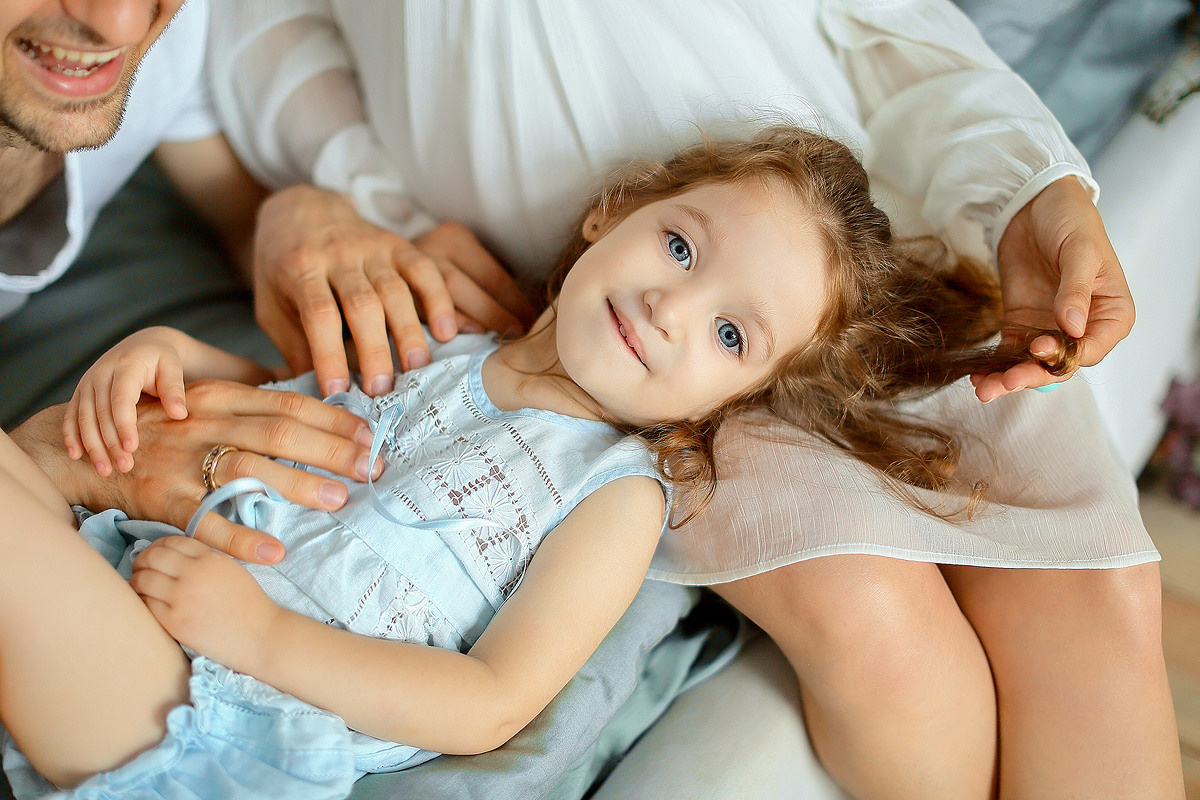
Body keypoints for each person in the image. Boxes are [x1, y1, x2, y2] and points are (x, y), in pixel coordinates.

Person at [199, 2, 1182, 798]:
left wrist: (1035, 186)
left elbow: (896, 34)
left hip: (867, 243)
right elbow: (264, 40)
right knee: (879, 628)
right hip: (630, 341)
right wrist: (380, 211)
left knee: (1099, 592)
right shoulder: (625, 319)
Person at [2, 127, 1058, 798]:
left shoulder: (612, 496)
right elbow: (271, 396)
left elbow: (489, 699)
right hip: (124, 568)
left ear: (734, 399)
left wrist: (261, 632)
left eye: (731, 336)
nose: (671, 305)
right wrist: (162, 360)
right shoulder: (438, 339)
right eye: (681, 248)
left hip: (206, 712)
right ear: (614, 213)